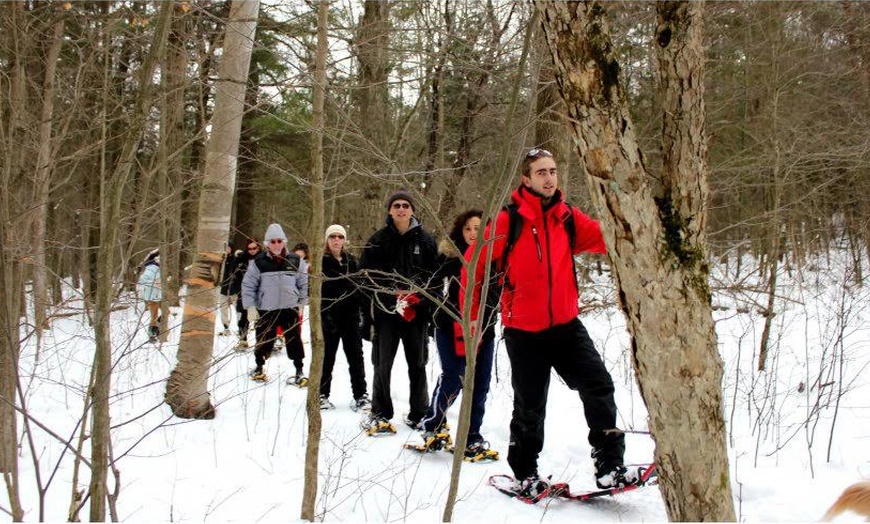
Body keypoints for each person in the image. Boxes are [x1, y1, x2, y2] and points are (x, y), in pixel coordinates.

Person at [461, 148, 632, 496]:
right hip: (524, 332)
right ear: (526, 179)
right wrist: (473, 317)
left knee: (599, 385)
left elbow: (606, 237)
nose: (549, 178)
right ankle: (525, 473)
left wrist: (634, 222)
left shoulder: (566, 217)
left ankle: (610, 465)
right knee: (530, 406)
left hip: (566, 326)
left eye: (552, 171)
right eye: (541, 172)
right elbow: (474, 264)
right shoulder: (509, 221)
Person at [416, 209, 499, 461]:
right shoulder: (450, 259)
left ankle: (472, 436)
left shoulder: (496, 260)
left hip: (484, 330)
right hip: (449, 327)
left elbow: (499, 295)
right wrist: (444, 309)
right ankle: (433, 424)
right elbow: (431, 286)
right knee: (454, 378)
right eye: (468, 228)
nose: (473, 233)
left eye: (478, 228)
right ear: (460, 232)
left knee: (480, 385)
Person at [359, 189, 439, 435]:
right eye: (396, 206)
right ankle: (380, 412)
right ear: (390, 210)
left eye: (406, 205)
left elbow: (434, 279)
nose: (401, 209)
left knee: (418, 364)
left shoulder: (425, 241)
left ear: (413, 209)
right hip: (386, 314)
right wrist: (383, 300)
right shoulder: (378, 240)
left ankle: (419, 412)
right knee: (383, 364)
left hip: (416, 315)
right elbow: (365, 278)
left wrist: (424, 302)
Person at [241, 224, 309, 384]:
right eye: (273, 241)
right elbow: (248, 285)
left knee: (294, 340)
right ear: (266, 244)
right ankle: (259, 366)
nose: (277, 244)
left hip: (289, 308)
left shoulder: (295, 260)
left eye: (279, 241)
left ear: (284, 241)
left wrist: (302, 302)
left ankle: (299, 369)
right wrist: (250, 306)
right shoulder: (258, 262)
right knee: (263, 339)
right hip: (266, 308)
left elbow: (303, 282)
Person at [319, 224, 370, 411]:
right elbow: (316, 293)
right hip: (329, 317)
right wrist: (324, 315)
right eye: (332, 236)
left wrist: (362, 314)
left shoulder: (352, 262)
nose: (336, 240)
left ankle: (361, 394)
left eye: (340, 237)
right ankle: (322, 394)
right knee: (327, 357)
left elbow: (361, 290)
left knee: (356, 357)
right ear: (327, 239)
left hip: (350, 317)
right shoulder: (321, 262)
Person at [230, 239, 260, 348]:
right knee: (243, 317)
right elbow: (233, 273)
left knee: (259, 317)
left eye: (254, 248)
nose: (252, 251)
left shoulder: (263, 258)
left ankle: (261, 341)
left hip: (259, 293)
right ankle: (243, 340)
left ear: (258, 248)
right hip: (243, 291)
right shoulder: (242, 259)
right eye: (249, 249)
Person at [137, 249, 162, 341]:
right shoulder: (151, 269)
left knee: (165, 313)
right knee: (154, 316)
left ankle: (157, 330)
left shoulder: (156, 269)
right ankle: (152, 334)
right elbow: (142, 281)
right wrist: (155, 283)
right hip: (152, 297)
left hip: (157, 296)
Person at [218, 242, 235, 336]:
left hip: (234, 290)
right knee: (223, 309)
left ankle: (241, 329)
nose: (227, 249)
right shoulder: (221, 259)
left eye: (228, 247)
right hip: (223, 289)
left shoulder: (234, 259)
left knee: (238, 310)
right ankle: (226, 328)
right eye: (225, 248)